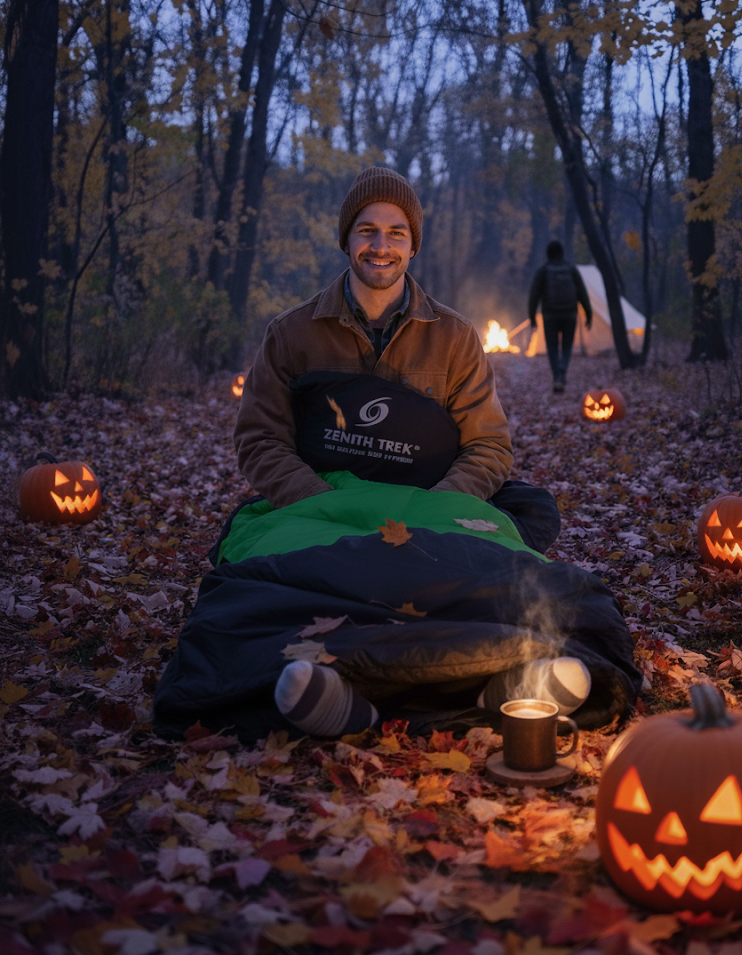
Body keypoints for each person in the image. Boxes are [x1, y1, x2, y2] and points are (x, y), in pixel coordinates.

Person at [233, 168, 590, 737]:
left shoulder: (454, 337)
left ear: (413, 244)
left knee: (511, 543)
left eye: (396, 233)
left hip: (431, 501)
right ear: (347, 239)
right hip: (324, 506)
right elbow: (259, 439)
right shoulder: (291, 333)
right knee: (263, 586)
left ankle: (507, 682)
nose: (381, 246)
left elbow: (489, 445)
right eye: (368, 231)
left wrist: (437, 511)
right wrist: (324, 505)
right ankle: (325, 688)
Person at [528, 240, 592, 393]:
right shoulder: (571, 269)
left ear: (548, 254)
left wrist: (532, 317)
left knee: (552, 347)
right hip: (570, 314)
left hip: (550, 315)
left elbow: (534, 295)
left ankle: (557, 375)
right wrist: (589, 314)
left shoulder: (543, 271)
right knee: (567, 346)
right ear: (562, 253)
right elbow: (582, 293)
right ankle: (562, 370)